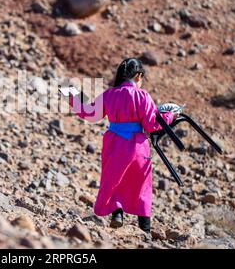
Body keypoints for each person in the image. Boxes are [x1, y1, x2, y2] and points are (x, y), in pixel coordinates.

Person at [68, 58, 180, 233]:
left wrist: (73, 96)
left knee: (114, 179)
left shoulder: (110, 94)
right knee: (142, 184)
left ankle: (117, 214)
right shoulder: (143, 96)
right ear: (139, 76)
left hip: (114, 143)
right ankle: (145, 229)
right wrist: (169, 115)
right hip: (138, 146)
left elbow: (89, 113)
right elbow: (152, 125)